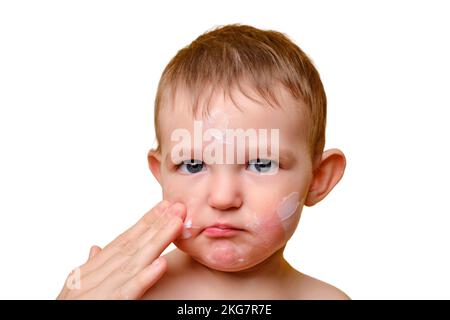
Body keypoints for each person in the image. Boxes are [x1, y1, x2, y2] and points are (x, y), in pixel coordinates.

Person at [57, 24, 349, 300]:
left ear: (319, 178)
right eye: (193, 165)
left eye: (261, 164)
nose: (223, 198)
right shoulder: (123, 293)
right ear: (161, 176)